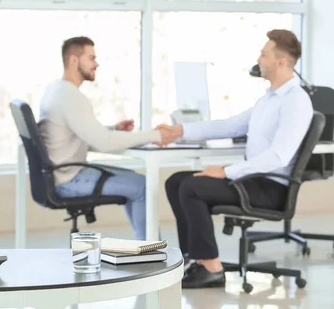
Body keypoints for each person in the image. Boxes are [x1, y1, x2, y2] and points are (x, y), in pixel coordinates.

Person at [158, 29, 313, 288]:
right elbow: (231, 126)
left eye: (264, 55)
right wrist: (181, 131)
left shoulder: (296, 101)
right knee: (176, 181)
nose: (259, 60)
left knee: (192, 187)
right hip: (253, 180)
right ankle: (194, 260)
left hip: (271, 187)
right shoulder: (269, 99)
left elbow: (279, 155)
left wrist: (228, 171)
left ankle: (211, 267)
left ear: (281, 62)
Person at [38, 36, 164, 240]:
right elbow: (103, 142)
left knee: (137, 181)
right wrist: (154, 135)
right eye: (91, 58)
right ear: (73, 60)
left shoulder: (56, 91)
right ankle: (152, 255)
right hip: (69, 179)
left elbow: (79, 133)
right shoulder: (70, 97)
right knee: (143, 186)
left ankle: (145, 250)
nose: (97, 64)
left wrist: (114, 129)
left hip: (59, 175)